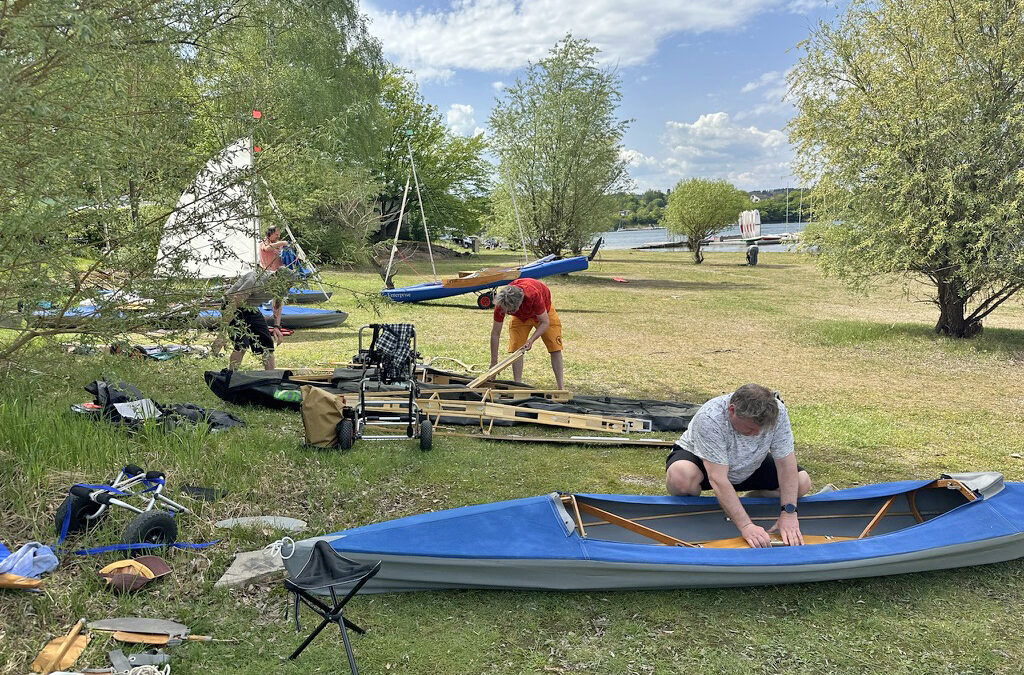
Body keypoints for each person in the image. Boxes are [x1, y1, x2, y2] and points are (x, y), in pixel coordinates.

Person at [665, 383, 812, 548]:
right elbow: (717, 478)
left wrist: (789, 512)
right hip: (705, 463)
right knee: (681, 477)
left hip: (751, 462)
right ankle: (695, 512)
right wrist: (746, 526)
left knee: (802, 482)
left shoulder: (777, 412)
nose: (757, 433)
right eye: (751, 428)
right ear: (732, 410)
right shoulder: (710, 416)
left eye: (762, 429)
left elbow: (786, 465)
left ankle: (749, 501)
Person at [489, 279, 564, 389]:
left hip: (544, 314)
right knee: (517, 348)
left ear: (519, 304)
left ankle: (561, 387)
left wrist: (531, 340)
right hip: (521, 318)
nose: (507, 314)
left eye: (510, 312)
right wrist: (493, 362)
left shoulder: (533, 294)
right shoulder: (502, 303)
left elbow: (545, 322)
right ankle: (518, 385)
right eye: (506, 311)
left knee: (555, 347)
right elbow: (495, 333)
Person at [211, 268, 290, 370]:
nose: (287, 288)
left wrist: (277, 327)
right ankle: (231, 377)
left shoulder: (284, 285)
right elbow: (235, 303)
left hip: (251, 307)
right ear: (275, 278)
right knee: (241, 345)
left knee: (268, 345)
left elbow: (277, 303)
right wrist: (222, 333)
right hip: (232, 305)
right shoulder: (255, 280)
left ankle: (271, 378)